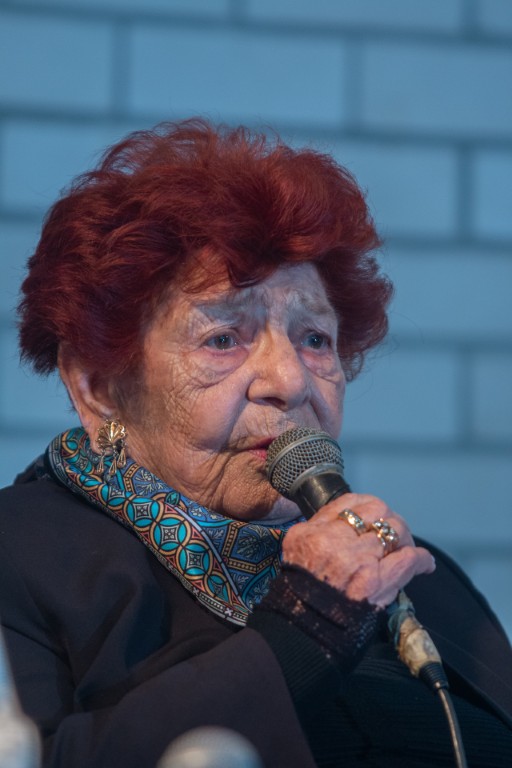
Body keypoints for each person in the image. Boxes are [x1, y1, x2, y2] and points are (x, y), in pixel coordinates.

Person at [0, 119, 511, 768]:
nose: (290, 381)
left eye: (314, 339)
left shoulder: (423, 581)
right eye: (223, 339)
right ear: (99, 388)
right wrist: (311, 620)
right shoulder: (20, 552)